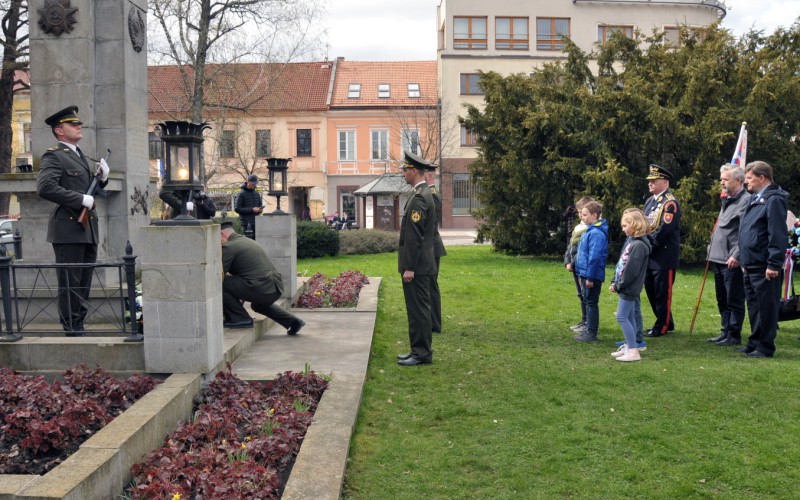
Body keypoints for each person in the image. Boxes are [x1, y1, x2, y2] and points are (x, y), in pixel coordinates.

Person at [36, 105, 110, 336]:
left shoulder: (78, 155)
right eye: (72, 124)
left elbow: (87, 190)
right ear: (59, 130)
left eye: (78, 123)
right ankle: (71, 325)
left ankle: (79, 322)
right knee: (70, 281)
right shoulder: (54, 155)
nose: (79, 126)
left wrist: (102, 179)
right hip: (68, 226)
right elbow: (45, 188)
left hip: (87, 227)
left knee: (84, 280)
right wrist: (81, 199)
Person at [738, 161, 788, 358]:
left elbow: (777, 233)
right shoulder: (755, 199)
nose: (746, 181)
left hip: (764, 264)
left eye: (749, 178)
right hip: (751, 263)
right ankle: (754, 342)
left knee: (766, 307)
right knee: (754, 305)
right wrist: (744, 260)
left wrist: (774, 263)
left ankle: (765, 346)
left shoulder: (773, 200)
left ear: (762, 177)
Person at [220, 220, 305, 334]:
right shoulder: (247, 241)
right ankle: (293, 321)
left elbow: (218, 275)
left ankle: (241, 319)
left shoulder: (229, 246)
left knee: (221, 284)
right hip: (275, 287)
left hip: (261, 287)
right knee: (258, 306)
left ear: (222, 234)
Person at [396, 151, 437, 366]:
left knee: (419, 310)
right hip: (422, 265)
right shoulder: (421, 194)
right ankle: (417, 350)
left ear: (413, 171)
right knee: (417, 308)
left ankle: (421, 353)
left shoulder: (419, 198)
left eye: (404, 170)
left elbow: (414, 237)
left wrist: (409, 267)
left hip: (417, 266)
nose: (402, 173)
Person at [706, 163, 749, 346]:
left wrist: (737, 255)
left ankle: (734, 334)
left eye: (725, 179)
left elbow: (745, 231)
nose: (722, 182)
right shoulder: (728, 199)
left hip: (731, 259)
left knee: (734, 299)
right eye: (721, 179)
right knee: (722, 298)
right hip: (718, 257)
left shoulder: (745, 201)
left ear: (738, 180)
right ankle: (725, 331)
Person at [643, 164, 681, 337]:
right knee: (651, 290)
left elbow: (665, 229)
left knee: (661, 292)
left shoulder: (670, 203)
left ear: (664, 182)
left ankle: (662, 326)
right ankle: (665, 320)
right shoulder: (651, 201)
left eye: (654, 181)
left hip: (663, 256)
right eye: (649, 181)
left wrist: (649, 244)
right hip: (651, 255)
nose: (650, 184)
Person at [609, 208, 652, 362]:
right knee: (628, 316)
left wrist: (619, 285)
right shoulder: (634, 242)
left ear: (635, 225)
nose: (623, 229)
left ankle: (634, 351)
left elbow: (631, 271)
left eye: (625, 225)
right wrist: (615, 281)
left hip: (629, 288)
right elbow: (622, 264)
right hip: (626, 286)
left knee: (621, 316)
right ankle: (630, 345)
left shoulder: (639, 246)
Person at [573, 200, 608, 342]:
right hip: (585, 274)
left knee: (591, 303)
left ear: (594, 215)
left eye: (585, 214)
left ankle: (592, 334)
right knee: (588, 301)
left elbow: (594, 258)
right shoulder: (591, 230)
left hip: (592, 275)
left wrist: (590, 278)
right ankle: (588, 330)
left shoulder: (597, 234)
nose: (582, 217)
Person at [564, 196, 594, 333]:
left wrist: (573, 263)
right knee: (580, 294)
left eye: (583, 212)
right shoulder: (578, 227)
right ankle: (584, 319)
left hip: (582, 266)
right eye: (579, 212)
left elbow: (582, 251)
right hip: (574, 265)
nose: (580, 215)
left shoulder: (591, 230)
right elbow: (571, 246)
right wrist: (567, 261)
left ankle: (589, 322)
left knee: (586, 295)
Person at [429, 174, 446, 334]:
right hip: (432, 245)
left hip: (432, 246)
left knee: (431, 285)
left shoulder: (432, 196)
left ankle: (435, 323)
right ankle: (432, 321)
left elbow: (431, 223)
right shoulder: (429, 194)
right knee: (430, 285)